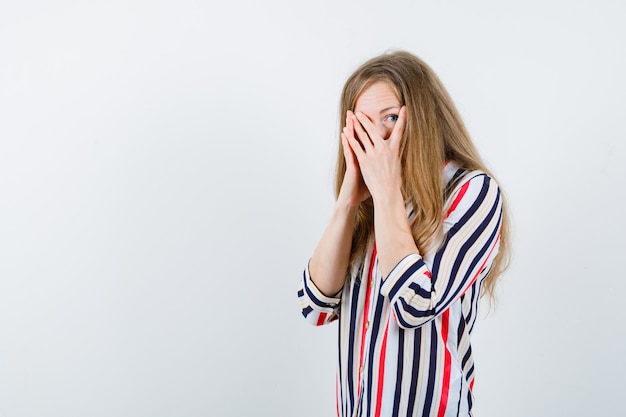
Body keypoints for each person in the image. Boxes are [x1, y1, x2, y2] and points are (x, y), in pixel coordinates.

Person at [297, 50, 511, 417]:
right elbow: (314, 305)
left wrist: (386, 193)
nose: (378, 138)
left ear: (423, 120)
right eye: (364, 125)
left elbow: (414, 305)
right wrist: (349, 200)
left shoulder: (472, 192)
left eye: (391, 118)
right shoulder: (368, 204)